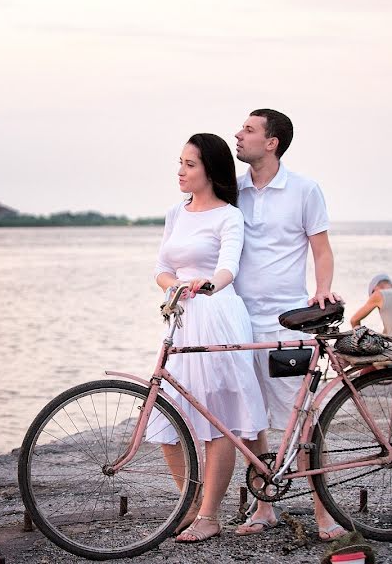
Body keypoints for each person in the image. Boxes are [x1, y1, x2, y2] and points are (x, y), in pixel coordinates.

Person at [231, 109, 347, 542]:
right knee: (251, 419)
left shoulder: (304, 189)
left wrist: (323, 290)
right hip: (240, 320)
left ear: (272, 142)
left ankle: (324, 515)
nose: (238, 135)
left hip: (287, 324)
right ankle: (264, 509)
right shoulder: (234, 190)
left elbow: (321, 248)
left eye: (248, 130)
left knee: (302, 421)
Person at [149, 133, 268, 544]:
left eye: (189, 164)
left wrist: (207, 286)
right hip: (181, 316)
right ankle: (190, 501)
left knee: (218, 416)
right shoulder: (175, 213)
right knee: (169, 413)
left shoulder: (228, 216)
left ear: (210, 170)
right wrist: (176, 288)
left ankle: (210, 515)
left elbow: (228, 268)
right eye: (179, 162)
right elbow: (161, 267)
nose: (180, 171)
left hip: (217, 314)